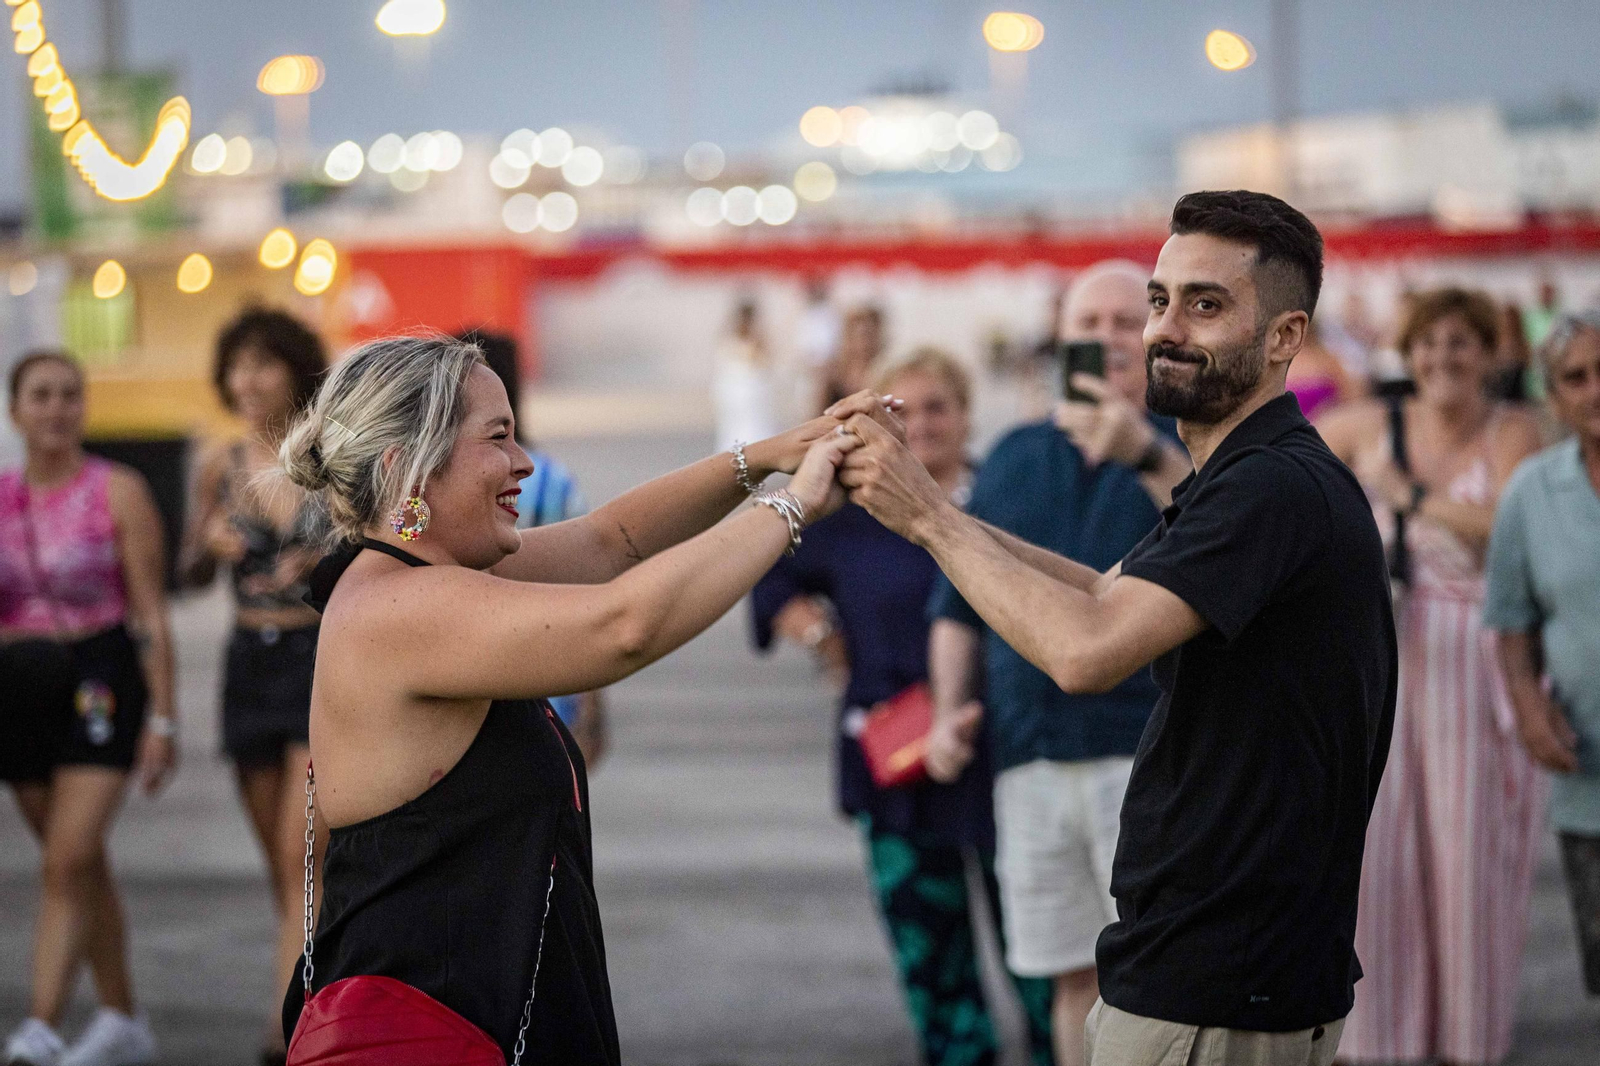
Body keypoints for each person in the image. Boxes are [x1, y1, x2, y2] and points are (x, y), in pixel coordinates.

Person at [834, 190, 1396, 1066]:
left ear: (1285, 336)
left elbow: (1086, 650)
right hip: (1208, 960)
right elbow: (1105, 591)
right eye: (1161, 300)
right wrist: (937, 513)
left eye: (1206, 305)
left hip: (1221, 976)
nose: (1165, 328)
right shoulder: (1242, 475)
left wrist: (931, 520)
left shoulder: (1269, 487)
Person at [275, 334, 880, 1061]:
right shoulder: (396, 609)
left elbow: (610, 542)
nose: (524, 462)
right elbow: (626, 625)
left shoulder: (417, 579)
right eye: (497, 437)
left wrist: (771, 454)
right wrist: (795, 503)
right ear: (407, 466)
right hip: (437, 1032)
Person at [752, 349, 1052, 1066]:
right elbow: (766, 577)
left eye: (937, 407)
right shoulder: (850, 510)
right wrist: (822, 638)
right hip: (898, 762)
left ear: (967, 414)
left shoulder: (1009, 496)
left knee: (1044, 958)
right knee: (934, 965)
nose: (921, 424)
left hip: (1010, 752)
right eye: (902, 411)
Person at [926, 260, 1188, 1066]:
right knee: (1070, 977)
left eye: (1124, 322)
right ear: (1061, 340)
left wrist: (1144, 452)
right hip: (1030, 754)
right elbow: (959, 604)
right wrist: (948, 712)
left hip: (1151, 753)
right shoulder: (1013, 454)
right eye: (1088, 326)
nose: (1107, 339)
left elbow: (1228, 537)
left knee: (1161, 976)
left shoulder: (1189, 442)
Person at [1319, 287, 1546, 1066]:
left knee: (1468, 864)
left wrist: (1411, 497)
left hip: (1478, 673)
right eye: (1429, 343)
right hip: (1384, 665)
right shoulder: (1362, 425)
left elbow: (1514, 530)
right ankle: (1382, 1041)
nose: (1443, 357)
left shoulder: (1515, 431)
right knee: (1379, 861)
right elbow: (1278, 475)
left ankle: (1467, 1042)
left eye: (1460, 342)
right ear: (1408, 353)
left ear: (1488, 353)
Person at [0, 352, 177, 1066]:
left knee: (68, 855)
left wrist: (163, 717)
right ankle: (122, 1016)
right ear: (15, 410)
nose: (57, 408)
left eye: (70, 394)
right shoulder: (2, 497)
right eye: (41, 395)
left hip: (101, 676)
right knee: (75, 863)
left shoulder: (118, 490)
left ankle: (40, 1027)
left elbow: (150, 612)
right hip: (19, 685)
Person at [177, 309, 327, 1066]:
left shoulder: (329, 456)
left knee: (303, 854)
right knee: (280, 865)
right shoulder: (219, 464)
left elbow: (387, 538)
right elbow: (188, 572)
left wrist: (324, 559)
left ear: (295, 370)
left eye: (264, 364)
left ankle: (287, 1029)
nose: (248, 380)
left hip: (314, 661)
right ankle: (313, 988)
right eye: (237, 366)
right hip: (247, 664)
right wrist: (209, 543)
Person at [1485, 309, 1600, 999]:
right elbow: (1510, 620)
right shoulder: (1531, 493)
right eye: (1576, 378)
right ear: (1553, 397)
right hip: (1589, 779)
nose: (1595, 389)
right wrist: (1529, 708)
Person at [462, 327, 607, 765]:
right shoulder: (551, 477)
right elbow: (590, 586)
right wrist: (592, 702)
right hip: (549, 677)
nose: (520, 466)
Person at [713, 298, 780, 452]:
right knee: (736, 427)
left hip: (750, 391)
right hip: (737, 389)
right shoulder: (730, 338)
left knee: (752, 426)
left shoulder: (756, 339)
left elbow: (765, 363)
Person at [819, 305, 886, 412]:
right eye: (858, 335)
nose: (863, 343)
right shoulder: (834, 377)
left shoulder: (885, 373)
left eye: (869, 336)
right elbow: (819, 413)